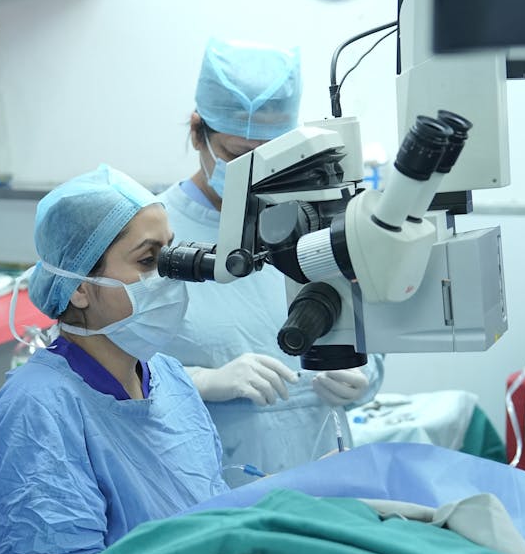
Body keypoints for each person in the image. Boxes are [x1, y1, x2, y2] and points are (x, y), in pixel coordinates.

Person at [0, 165, 229, 554]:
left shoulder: (168, 377)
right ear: (80, 287)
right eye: (148, 260)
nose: (170, 275)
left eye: (169, 253)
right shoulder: (37, 414)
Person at [156, 38, 383, 480]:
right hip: (213, 483)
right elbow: (115, 366)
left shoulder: (319, 217)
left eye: (270, 156)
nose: (253, 172)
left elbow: (368, 323)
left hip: (322, 472)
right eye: (238, 156)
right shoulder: (153, 235)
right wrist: (198, 381)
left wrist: (365, 371)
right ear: (196, 131)